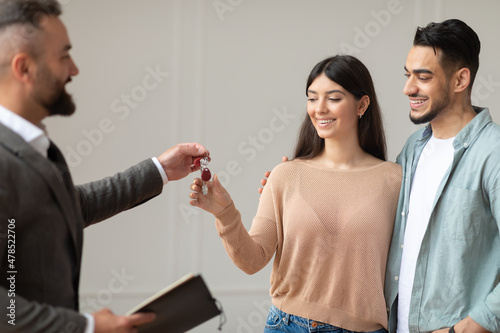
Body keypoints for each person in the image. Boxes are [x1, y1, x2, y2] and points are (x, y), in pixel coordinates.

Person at [0, 1, 209, 332]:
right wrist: (86, 326)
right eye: (63, 56)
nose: (74, 69)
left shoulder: (34, 147)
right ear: (24, 68)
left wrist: (161, 170)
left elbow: (71, 207)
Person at [190, 55, 402, 332]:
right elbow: (252, 260)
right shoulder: (286, 175)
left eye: (334, 98)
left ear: (362, 104)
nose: (320, 109)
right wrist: (225, 213)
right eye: (312, 98)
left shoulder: (395, 180)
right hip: (288, 324)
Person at [384, 19, 500, 333]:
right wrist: (300, 182)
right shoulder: (413, 149)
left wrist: (463, 330)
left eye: (423, 77)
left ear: (460, 79)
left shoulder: (493, 153)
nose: (408, 88)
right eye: (408, 75)